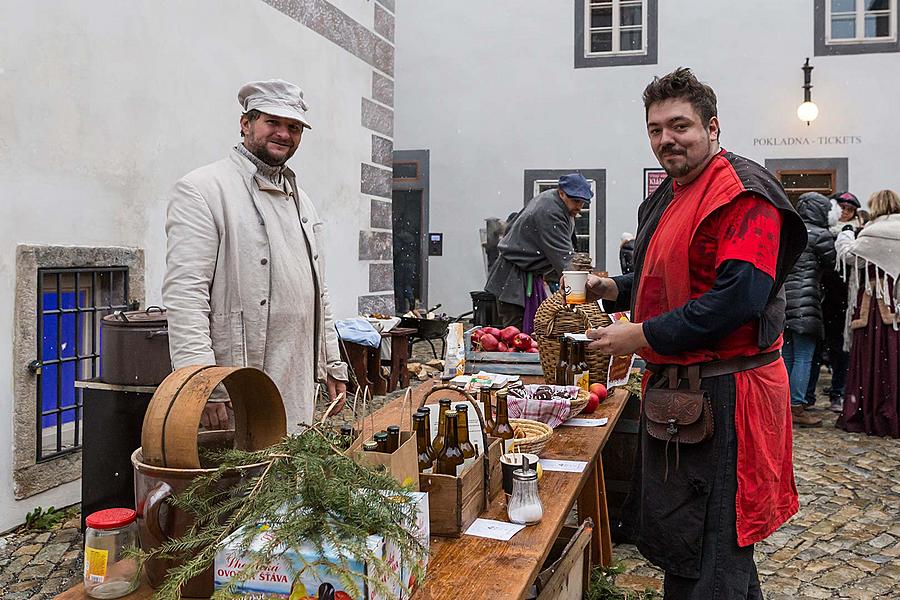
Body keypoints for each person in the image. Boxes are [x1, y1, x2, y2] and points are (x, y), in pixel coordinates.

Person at [584, 68, 805, 599]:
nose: (666, 139)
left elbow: (738, 297)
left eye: (679, 125)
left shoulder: (741, 194)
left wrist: (641, 336)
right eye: (656, 129)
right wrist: (614, 289)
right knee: (697, 548)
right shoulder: (677, 194)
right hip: (685, 391)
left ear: (712, 126)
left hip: (728, 398)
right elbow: (671, 276)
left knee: (712, 549)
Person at [163, 79, 348, 431]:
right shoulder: (203, 190)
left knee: (285, 477)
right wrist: (201, 386)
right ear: (245, 124)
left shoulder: (302, 202)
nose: (284, 134)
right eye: (272, 122)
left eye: (293, 127)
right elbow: (186, 294)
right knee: (237, 482)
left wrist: (331, 365)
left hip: (296, 380)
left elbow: (318, 294)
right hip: (235, 385)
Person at [485, 174, 593, 333]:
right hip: (512, 279)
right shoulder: (550, 211)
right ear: (562, 193)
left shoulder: (554, 201)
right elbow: (564, 258)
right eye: (576, 201)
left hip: (522, 274)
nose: (580, 206)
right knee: (516, 335)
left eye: (583, 202)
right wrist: (585, 288)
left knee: (528, 333)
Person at [836, 189, 900, 438]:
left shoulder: (872, 232)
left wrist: (846, 235)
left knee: (874, 359)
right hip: (895, 303)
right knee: (893, 359)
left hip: (874, 305)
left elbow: (851, 258)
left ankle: (873, 410)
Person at [783, 193, 836, 427]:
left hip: (783, 302)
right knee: (804, 356)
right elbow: (833, 264)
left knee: (786, 355)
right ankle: (796, 407)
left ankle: (782, 406)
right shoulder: (821, 235)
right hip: (807, 302)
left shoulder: (789, 229)